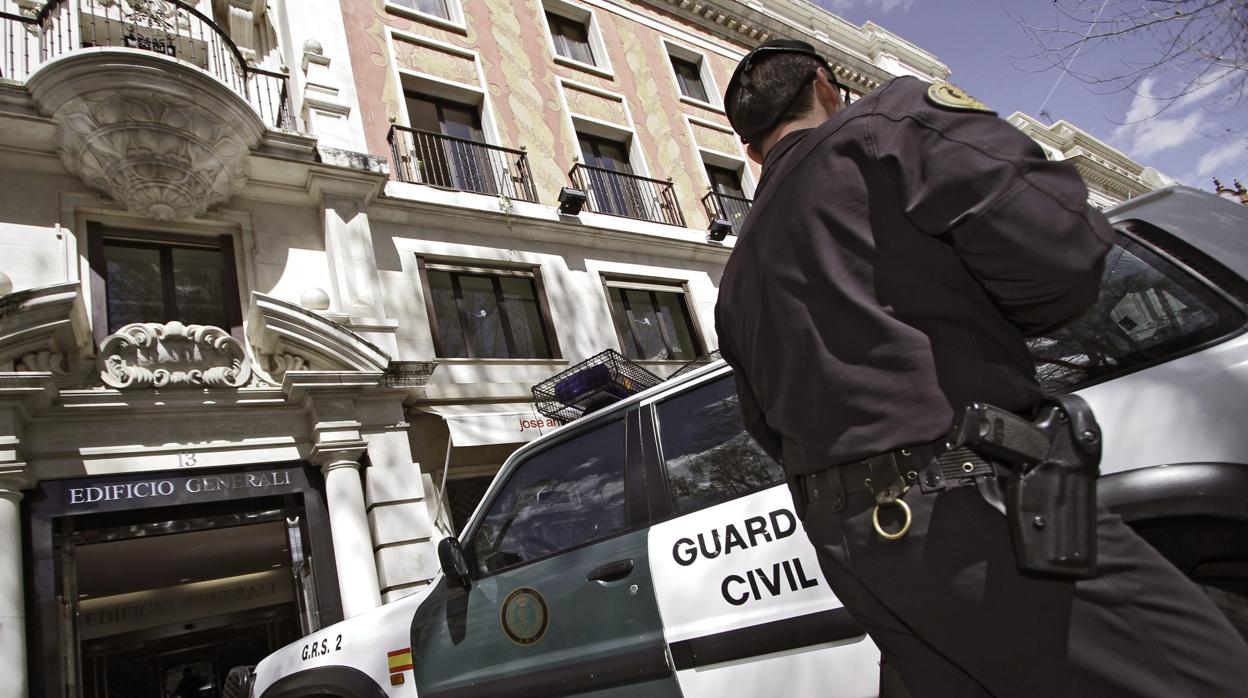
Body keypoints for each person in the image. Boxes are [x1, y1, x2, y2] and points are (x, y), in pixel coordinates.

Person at [714, 39, 1248, 697]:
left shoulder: (735, 277)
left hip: (858, 555)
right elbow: (1056, 242)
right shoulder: (887, 125)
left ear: (750, 148)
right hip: (973, 502)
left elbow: (768, 429)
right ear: (827, 86)